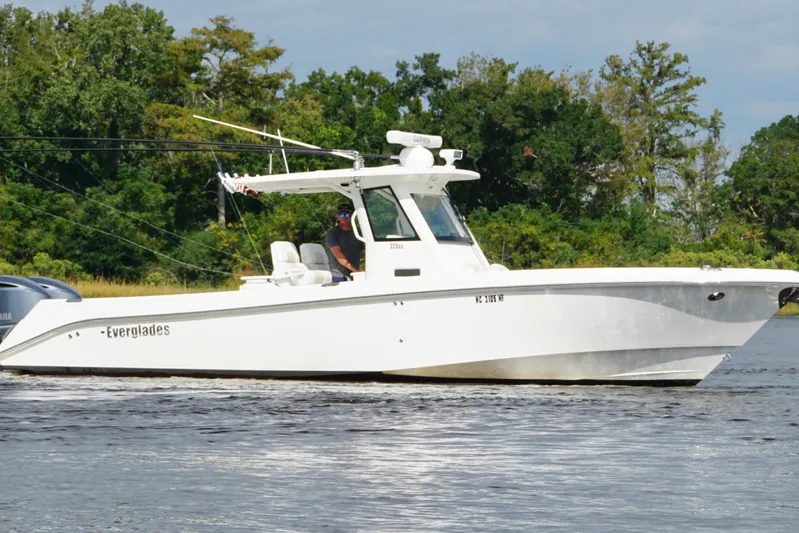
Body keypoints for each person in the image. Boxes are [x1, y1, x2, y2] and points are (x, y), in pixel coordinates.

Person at [325, 205, 364, 282]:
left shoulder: (358, 232)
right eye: (341, 214)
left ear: (352, 216)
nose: (344, 217)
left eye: (347, 214)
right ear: (338, 216)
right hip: (338, 276)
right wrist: (356, 271)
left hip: (354, 274)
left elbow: (366, 252)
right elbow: (340, 258)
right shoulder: (332, 233)